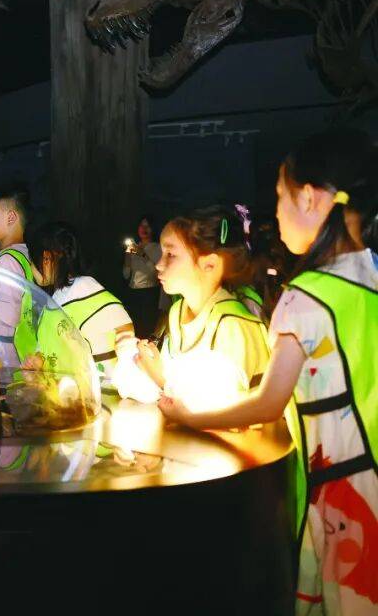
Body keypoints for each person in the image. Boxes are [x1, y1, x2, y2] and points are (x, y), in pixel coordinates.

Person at [158, 127, 378, 615]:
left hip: (348, 498)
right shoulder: (372, 279)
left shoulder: (305, 299)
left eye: (280, 197)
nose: (275, 213)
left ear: (309, 198)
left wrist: (189, 416)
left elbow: (266, 404)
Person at [134, 205, 271, 403]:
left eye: (170, 254)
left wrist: (161, 379)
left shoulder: (233, 325)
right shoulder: (177, 312)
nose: (159, 264)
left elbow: (252, 411)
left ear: (210, 264)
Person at [35, 221, 134, 382]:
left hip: (99, 389)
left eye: (33, 262)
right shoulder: (68, 294)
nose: (32, 269)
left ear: (47, 258)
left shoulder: (78, 291)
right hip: (78, 390)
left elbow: (124, 330)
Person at [0, 185, 40, 363]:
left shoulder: (7, 261)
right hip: (20, 356)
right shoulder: (25, 256)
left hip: (5, 359)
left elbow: (8, 315)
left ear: (11, 217)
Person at [123, 215, 164, 338]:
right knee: (134, 327)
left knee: (147, 328)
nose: (144, 229)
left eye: (147, 226)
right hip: (133, 293)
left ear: (153, 229)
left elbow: (156, 273)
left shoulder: (157, 248)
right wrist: (127, 257)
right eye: (141, 225)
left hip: (149, 293)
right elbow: (126, 275)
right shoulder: (134, 247)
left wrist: (143, 255)